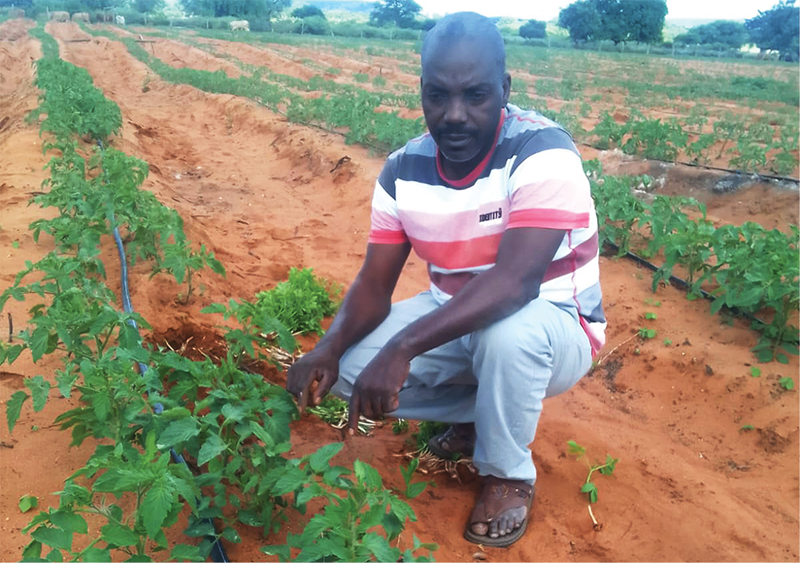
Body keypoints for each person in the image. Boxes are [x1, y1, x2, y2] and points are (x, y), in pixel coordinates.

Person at [287, 11, 606, 548]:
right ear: (422, 92)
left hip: (555, 324)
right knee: (343, 375)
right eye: (437, 96)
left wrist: (404, 348)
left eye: (475, 95)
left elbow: (516, 284)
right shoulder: (402, 171)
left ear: (504, 89)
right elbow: (374, 282)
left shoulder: (542, 152)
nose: (454, 115)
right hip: (454, 318)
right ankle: (484, 415)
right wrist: (329, 346)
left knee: (509, 337)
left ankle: (507, 474)